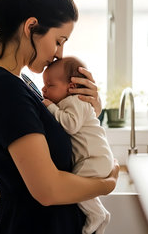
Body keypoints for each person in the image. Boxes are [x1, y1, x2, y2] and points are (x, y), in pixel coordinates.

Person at [0, 0, 119, 234]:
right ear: (31, 27)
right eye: (59, 40)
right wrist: (107, 184)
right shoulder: (5, 91)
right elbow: (47, 190)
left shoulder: (19, 82)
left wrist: (89, 110)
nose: (60, 54)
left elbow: (58, 138)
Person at [42, 56, 114, 234]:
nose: (43, 89)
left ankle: (97, 215)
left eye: (50, 85)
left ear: (72, 86)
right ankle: (101, 215)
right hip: (94, 159)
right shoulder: (71, 102)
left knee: (76, 188)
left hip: (94, 159)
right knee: (82, 190)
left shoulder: (76, 101)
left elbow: (70, 125)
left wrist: (50, 107)